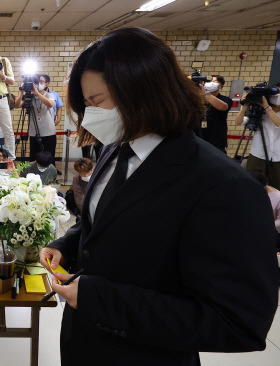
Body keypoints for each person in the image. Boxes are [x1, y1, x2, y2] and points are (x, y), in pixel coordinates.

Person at [38, 27, 278, 365]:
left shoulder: (222, 186)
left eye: (97, 102)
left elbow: (238, 323)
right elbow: (105, 220)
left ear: (143, 90)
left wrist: (102, 300)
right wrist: (67, 246)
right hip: (84, 344)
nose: (91, 116)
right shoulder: (115, 148)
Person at [235, 84, 280, 189]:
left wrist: (267, 108)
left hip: (278, 155)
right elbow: (238, 122)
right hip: (258, 153)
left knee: (276, 186)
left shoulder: (266, 109)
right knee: (253, 185)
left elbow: (278, 123)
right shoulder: (258, 110)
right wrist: (244, 107)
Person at [14, 75, 56, 163]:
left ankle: (49, 175)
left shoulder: (49, 94)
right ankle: (33, 176)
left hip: (48, 132)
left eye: (41, 82)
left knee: (49, 157)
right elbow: (17, 105)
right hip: (34, 132)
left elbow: (50, 104)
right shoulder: (29, 96)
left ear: (46, 84)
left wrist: (37, 94)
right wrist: (21, 93)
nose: (38, 84)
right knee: (34, 158)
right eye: (37, 82)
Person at [199, 75, 232, 153]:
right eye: (209, 81)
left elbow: (223, 107)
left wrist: (205, 93)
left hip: (216, 138)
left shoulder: (226, 99)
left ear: (221, 86)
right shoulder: (198, 98)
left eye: (214, 82)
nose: (211, 83)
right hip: (199, 136)